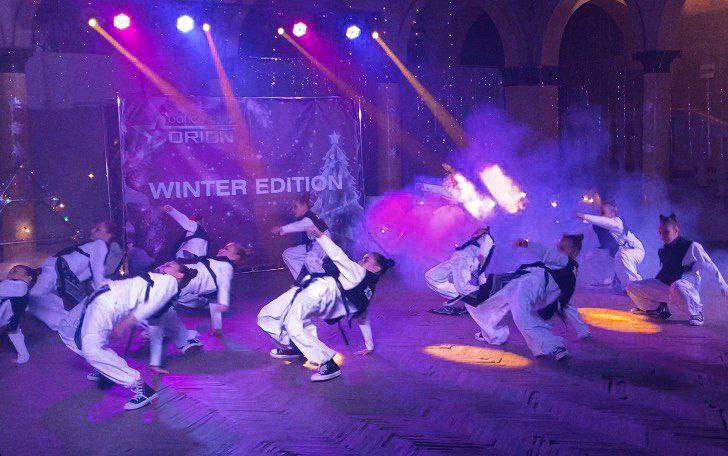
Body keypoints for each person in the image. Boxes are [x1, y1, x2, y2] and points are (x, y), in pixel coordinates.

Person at [258, 226, 394, 382]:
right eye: (363, 258)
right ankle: (295, 347)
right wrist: (369, 345)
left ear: (376, 268)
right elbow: (362, 317)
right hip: (311, 291)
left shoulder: (358, 272)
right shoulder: (368, 289)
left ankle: (328, 364)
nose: (361, 260)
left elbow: (338, 255)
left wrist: (320, 235)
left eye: (366, 259)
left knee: (293, 325)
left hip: (316, 292)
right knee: (267, 315)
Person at [62, 269, 188, 410]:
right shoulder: (155, 280)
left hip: (107, 304)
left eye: (170, 265)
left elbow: (150, 310)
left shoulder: (169, 281)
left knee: (92, 349)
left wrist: (126, 322)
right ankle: (106, 370)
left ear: (180, 275)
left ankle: (139, 386)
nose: (166, 265)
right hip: (98, 298)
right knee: (68, 333)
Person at [466, 234, 591, 360]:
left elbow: (546, 252)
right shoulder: (569, 273)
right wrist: (583, 330)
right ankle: (492, 333)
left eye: (562, 248)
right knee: (488, 303)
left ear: (574, 252)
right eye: (558, 246)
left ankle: (555, 346)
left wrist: (527, 244)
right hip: (521, 284)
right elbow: (568, 304)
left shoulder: (564, 260)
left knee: (522, 317)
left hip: (527, 285)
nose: (557, 249)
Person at [626, 214, 728, 326]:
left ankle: (696, 313)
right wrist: (653, 291)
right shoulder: (665, 250)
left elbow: (709, 265)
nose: (663, 236)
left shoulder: (692, 246)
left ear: (676, 230)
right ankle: (656, 309)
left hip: (687, 288)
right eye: (661, 233)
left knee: (677, 285)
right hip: (671, 288)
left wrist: (723, 285)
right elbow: (664, 274)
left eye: (666, 232)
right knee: (631, 286)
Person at [28, 221, 115, 330]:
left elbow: (97, 272)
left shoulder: (99, 244)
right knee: (37, 300)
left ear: (108, 235)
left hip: (53, 270)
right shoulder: (97, 246)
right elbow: (94, 273)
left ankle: (67, 323)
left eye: (98, 229)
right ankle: (68, 323)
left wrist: (102, 293)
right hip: (56, 273)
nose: (92, 230)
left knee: (33, 299)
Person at [175, 242, 248, 335]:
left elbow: (223, 287)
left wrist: (223, 303)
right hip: (186, 280)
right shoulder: (216, 262)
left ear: (235, 257)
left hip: (187, 281)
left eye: (226, 249)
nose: (221, 250)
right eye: (223, 248)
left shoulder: (226, 266)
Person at [145, 261, 203, 372]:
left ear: (180, 275)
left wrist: (155, 363)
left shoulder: (167, 283)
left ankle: (185, 341)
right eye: (165, 264)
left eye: (168, 266)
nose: (163, 265)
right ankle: (185, 341)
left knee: (167, 316)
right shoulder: (161, 281)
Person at [425, 226, 495, 316]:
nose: (478, 228)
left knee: (463, 288)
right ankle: (456, 294)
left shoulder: (487, 238)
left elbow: (483, 256)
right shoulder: (474, 238)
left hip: (464, 262)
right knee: (431, 276)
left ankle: (486, 299)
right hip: (453, 261)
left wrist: (479, 271)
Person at [577, 202, 645, 290]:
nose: (601, 215)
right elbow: (584, 229)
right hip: (618, 253)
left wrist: (584, 216)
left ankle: (635, 286)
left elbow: (604, 221)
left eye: (603, 212)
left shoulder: (617, 222)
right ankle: (602, 281)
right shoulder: (600, 225)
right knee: (592, 255)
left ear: (612, 213)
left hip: (634, 251)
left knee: (622, 254)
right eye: (600, 213)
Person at [271, 193, 331, 283]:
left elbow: (301, 225)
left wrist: (281, 229)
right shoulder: (306, 216)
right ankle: (304, 281)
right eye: (292, 207)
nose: (293, 210)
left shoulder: (309, 217)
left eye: (295, 207)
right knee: (288, 254)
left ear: (304, 206)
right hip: (312, 245)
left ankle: (324, 285)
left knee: (310, 259)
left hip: (324, 244)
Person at [0, 265, 40, 364]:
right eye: (11, 270)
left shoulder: (21, 285)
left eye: (16, 271)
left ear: (29, 278)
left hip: (6, 314)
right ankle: (24, 355)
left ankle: (24, 356)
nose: (12, 271)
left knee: (15, 333)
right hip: (9, 316)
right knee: (15, 334)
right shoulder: (16, 285)